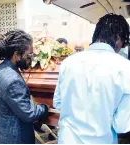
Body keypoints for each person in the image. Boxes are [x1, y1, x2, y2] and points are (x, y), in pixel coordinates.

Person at [53, 13, 130, 144]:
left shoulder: (68, 63)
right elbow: (121, 125)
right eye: (123, 43)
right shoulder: (125, 68)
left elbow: (58, 103)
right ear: (118, 38)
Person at [0, 29, 49, 144]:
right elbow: (29, 113)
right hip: (14, 138)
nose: (31, 58)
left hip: (1, 132)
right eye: (29, 54)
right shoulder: (13, 79)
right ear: (17, 55)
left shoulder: (1, 68)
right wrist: (45, 107)